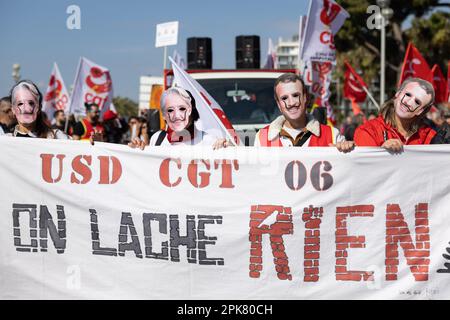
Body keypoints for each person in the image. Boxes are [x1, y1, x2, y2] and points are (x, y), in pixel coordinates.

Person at [254, 73, 353, 152]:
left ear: (306, 98)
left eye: (296, 95)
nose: (291, 103)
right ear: (279, 105)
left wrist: (347, 150)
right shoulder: (262, 137)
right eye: (284, 98)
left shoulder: (332, 135)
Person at [128, 87, 229, 149]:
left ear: (192, 111)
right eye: (170, 110)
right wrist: (138, 150)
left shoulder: (209, 141)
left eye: (182, 108)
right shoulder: (158, 139)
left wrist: (227, 149)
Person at [354, 77, 437, 152]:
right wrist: (381, 152)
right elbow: (367, 165)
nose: (408, 102)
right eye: (408, 94)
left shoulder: (431, 137)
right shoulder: (369, 131)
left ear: (420, 111)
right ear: (398, 93)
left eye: (417, 102)